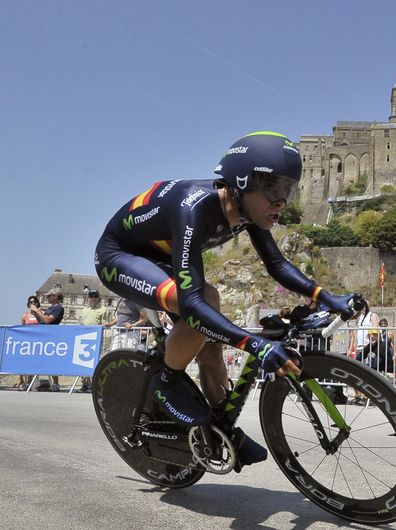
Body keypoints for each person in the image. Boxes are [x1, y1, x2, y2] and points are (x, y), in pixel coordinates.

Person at [95, 131, 352, 468]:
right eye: (273, 189)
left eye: (287, 190)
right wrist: (255, 344)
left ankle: (219, 428)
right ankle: (167, 382)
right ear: (242, 182)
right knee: (206, 299)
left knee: (212, 347)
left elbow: (276, 264)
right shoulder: (194, 208)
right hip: (120, 255)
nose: (281, 201)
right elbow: (192, 302)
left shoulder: (248, 211)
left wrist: (325, 296)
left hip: (161, 259)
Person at [28, 288, 65, 391]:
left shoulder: (58, 308)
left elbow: (48, 321)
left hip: (52, 336)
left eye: (49, 296)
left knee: (52, 360)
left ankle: (56, 383)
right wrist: (36, 314)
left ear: (56, 296)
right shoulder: (50, 308)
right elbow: (42, 321)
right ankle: (31, 382)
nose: (47, 297)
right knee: (37, 359)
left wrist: (37, 311)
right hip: (44, 336)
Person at [77, 289, 110, 392]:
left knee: (94, 362)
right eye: (91, 296)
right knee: (82, 362)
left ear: (99, 298)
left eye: (95, 296)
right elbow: (80, 323)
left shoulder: (104, 309)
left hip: (96, 339)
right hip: (83, 339)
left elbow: (105, 324)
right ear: (88, 298)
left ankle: (93, 385)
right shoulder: (84, 309)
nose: (93, 298)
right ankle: (84, 384)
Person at [17, 295, 41, 390]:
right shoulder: (25, 316)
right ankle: (25, 381)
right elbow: (22, 329)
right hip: (27, 343)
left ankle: (32, 382)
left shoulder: (42, 313)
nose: (33, 303)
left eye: (35, 301)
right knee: (25, 363)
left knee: (35, 363)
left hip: (38, 343)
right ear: (28, 304)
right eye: (31, 302)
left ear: (38, 303)